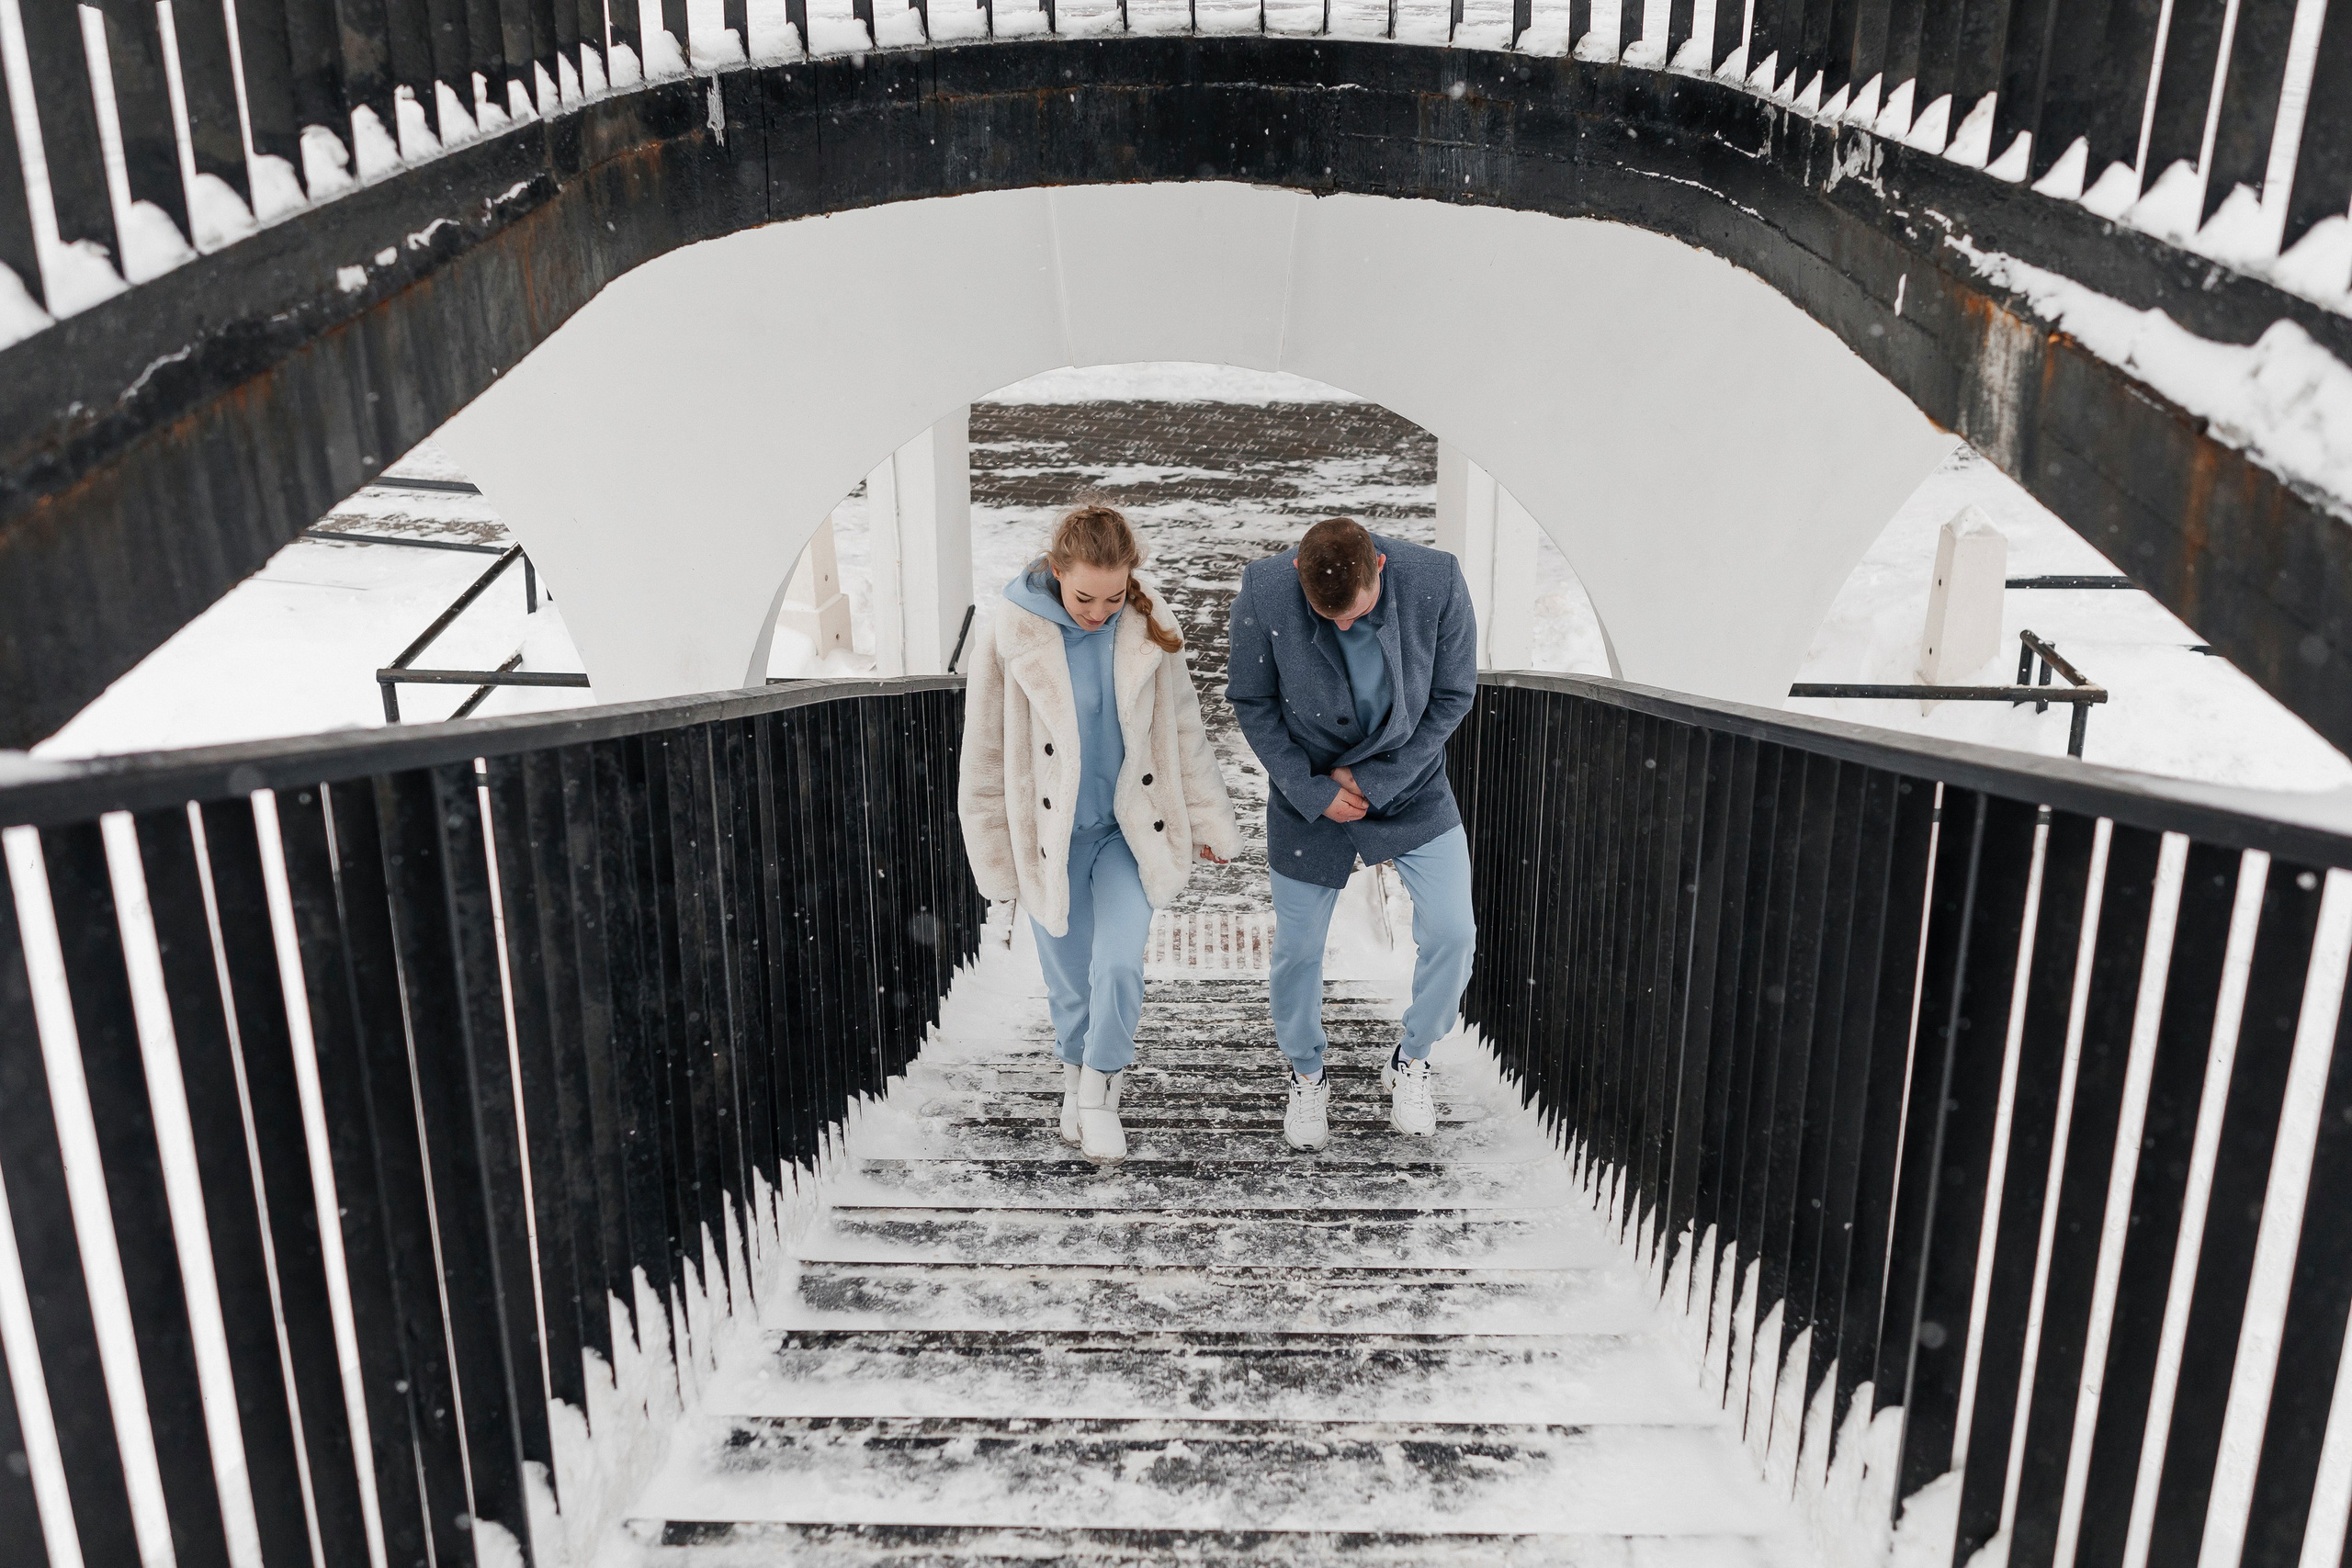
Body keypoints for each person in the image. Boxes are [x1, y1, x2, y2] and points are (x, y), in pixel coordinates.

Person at [959, 504, 1241, 1165]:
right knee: (1070, 982)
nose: (1098, 610)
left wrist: (1205, 820)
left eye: (1114, 596)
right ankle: (1073, 1070)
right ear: (1056, 571)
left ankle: (1099, 1087)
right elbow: (985, 758)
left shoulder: (1148, 626)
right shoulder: (1011, 632)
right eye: (1084, 596)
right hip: (1049, 839)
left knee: (1118, 964)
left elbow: (1183, 730)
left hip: (1127, 831)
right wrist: (996, 864)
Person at [1226, 515, 1478, 1151]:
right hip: (1308, 796)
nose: (1342, 626)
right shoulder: (1263, 589)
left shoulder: (1437, 578)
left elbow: (1453, 693)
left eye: (1355, 611)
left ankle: (1412, 1058)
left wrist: (1377, 778)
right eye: (1324, 613)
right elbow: (1250, 701)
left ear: (1380, 570)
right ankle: (1307, 1072)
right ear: (1297, 579)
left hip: (1412, 783)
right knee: (1297, 951)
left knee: (1454, 930)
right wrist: (1314, 790)